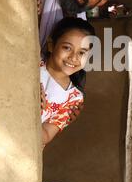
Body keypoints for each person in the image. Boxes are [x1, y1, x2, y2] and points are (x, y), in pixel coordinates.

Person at [40, 17, 95, 146]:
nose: (73, 57)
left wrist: (33, 112)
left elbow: (47, 135)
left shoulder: (73, 99)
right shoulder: (33, 64)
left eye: (82, 53)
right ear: (51, 45)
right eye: (67, 48)